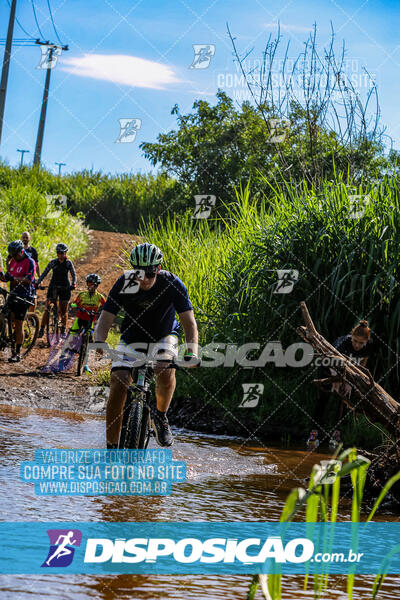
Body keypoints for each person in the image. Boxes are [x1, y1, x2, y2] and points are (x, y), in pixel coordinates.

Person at [94, 242, 199, 448]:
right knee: (118, 381)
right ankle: (111, 447)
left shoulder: (171, 284)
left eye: (150, 274)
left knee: (164, 368)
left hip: (164, 335)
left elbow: (189, 322)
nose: (144, 280)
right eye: (139, 274)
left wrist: (192, 351)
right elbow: (106, 318)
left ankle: (160, 417)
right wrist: (99, 341)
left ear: (158, 269)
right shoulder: (126, 283)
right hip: (132, 337)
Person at [311, 319, 374, 442]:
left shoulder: (369, 347)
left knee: (344, 401)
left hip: (348, 372)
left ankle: (336, 434)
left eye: (361, 343)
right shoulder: (343, 343)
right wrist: (336, 380)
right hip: (328, 368)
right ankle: (314, 432)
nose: (357, 345)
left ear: (366, 341)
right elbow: (331, 362)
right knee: (323, 399)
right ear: (351, 337)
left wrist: (352, 382)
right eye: (355, 341)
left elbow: (362, 365)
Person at [58, 273, 105, 373]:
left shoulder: (99, 297)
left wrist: (104, 311)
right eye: (89, 283)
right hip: (79, 319)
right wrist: (76, 306)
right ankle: (62, 360)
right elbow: (74, 303)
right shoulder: (82, 295)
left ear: (97, 285)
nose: (91, 286)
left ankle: (85, 365)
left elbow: (106, 306)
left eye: (93, 284)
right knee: (71, 339)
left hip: (90, 321)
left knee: (87, 343)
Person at [0, 240, 35, 362]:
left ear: (21, 251)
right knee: (2, 315)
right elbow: (6, 278)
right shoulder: (13, 261)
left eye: (15, 255)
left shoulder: (30, 262)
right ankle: (4, 338)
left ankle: (18, 353)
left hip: (24, 295)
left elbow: (29, 280)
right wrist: (2, 276)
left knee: (19, 324)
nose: (13, 257)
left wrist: (14, 278)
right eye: (12, 255)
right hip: (13, 293)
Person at [36, 243, 76, 338]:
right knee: (47, 308)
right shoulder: (53, 262)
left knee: (63, 310)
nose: (60, 255)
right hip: (53, 286)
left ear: (65, 253)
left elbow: (74, 274)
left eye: (62, 253)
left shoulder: (68, 263)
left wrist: (74, 283)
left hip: (65, 287)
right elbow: (45, 273)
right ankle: (42, 329)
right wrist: (38, 282)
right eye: (58, 253)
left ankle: (63, 329)